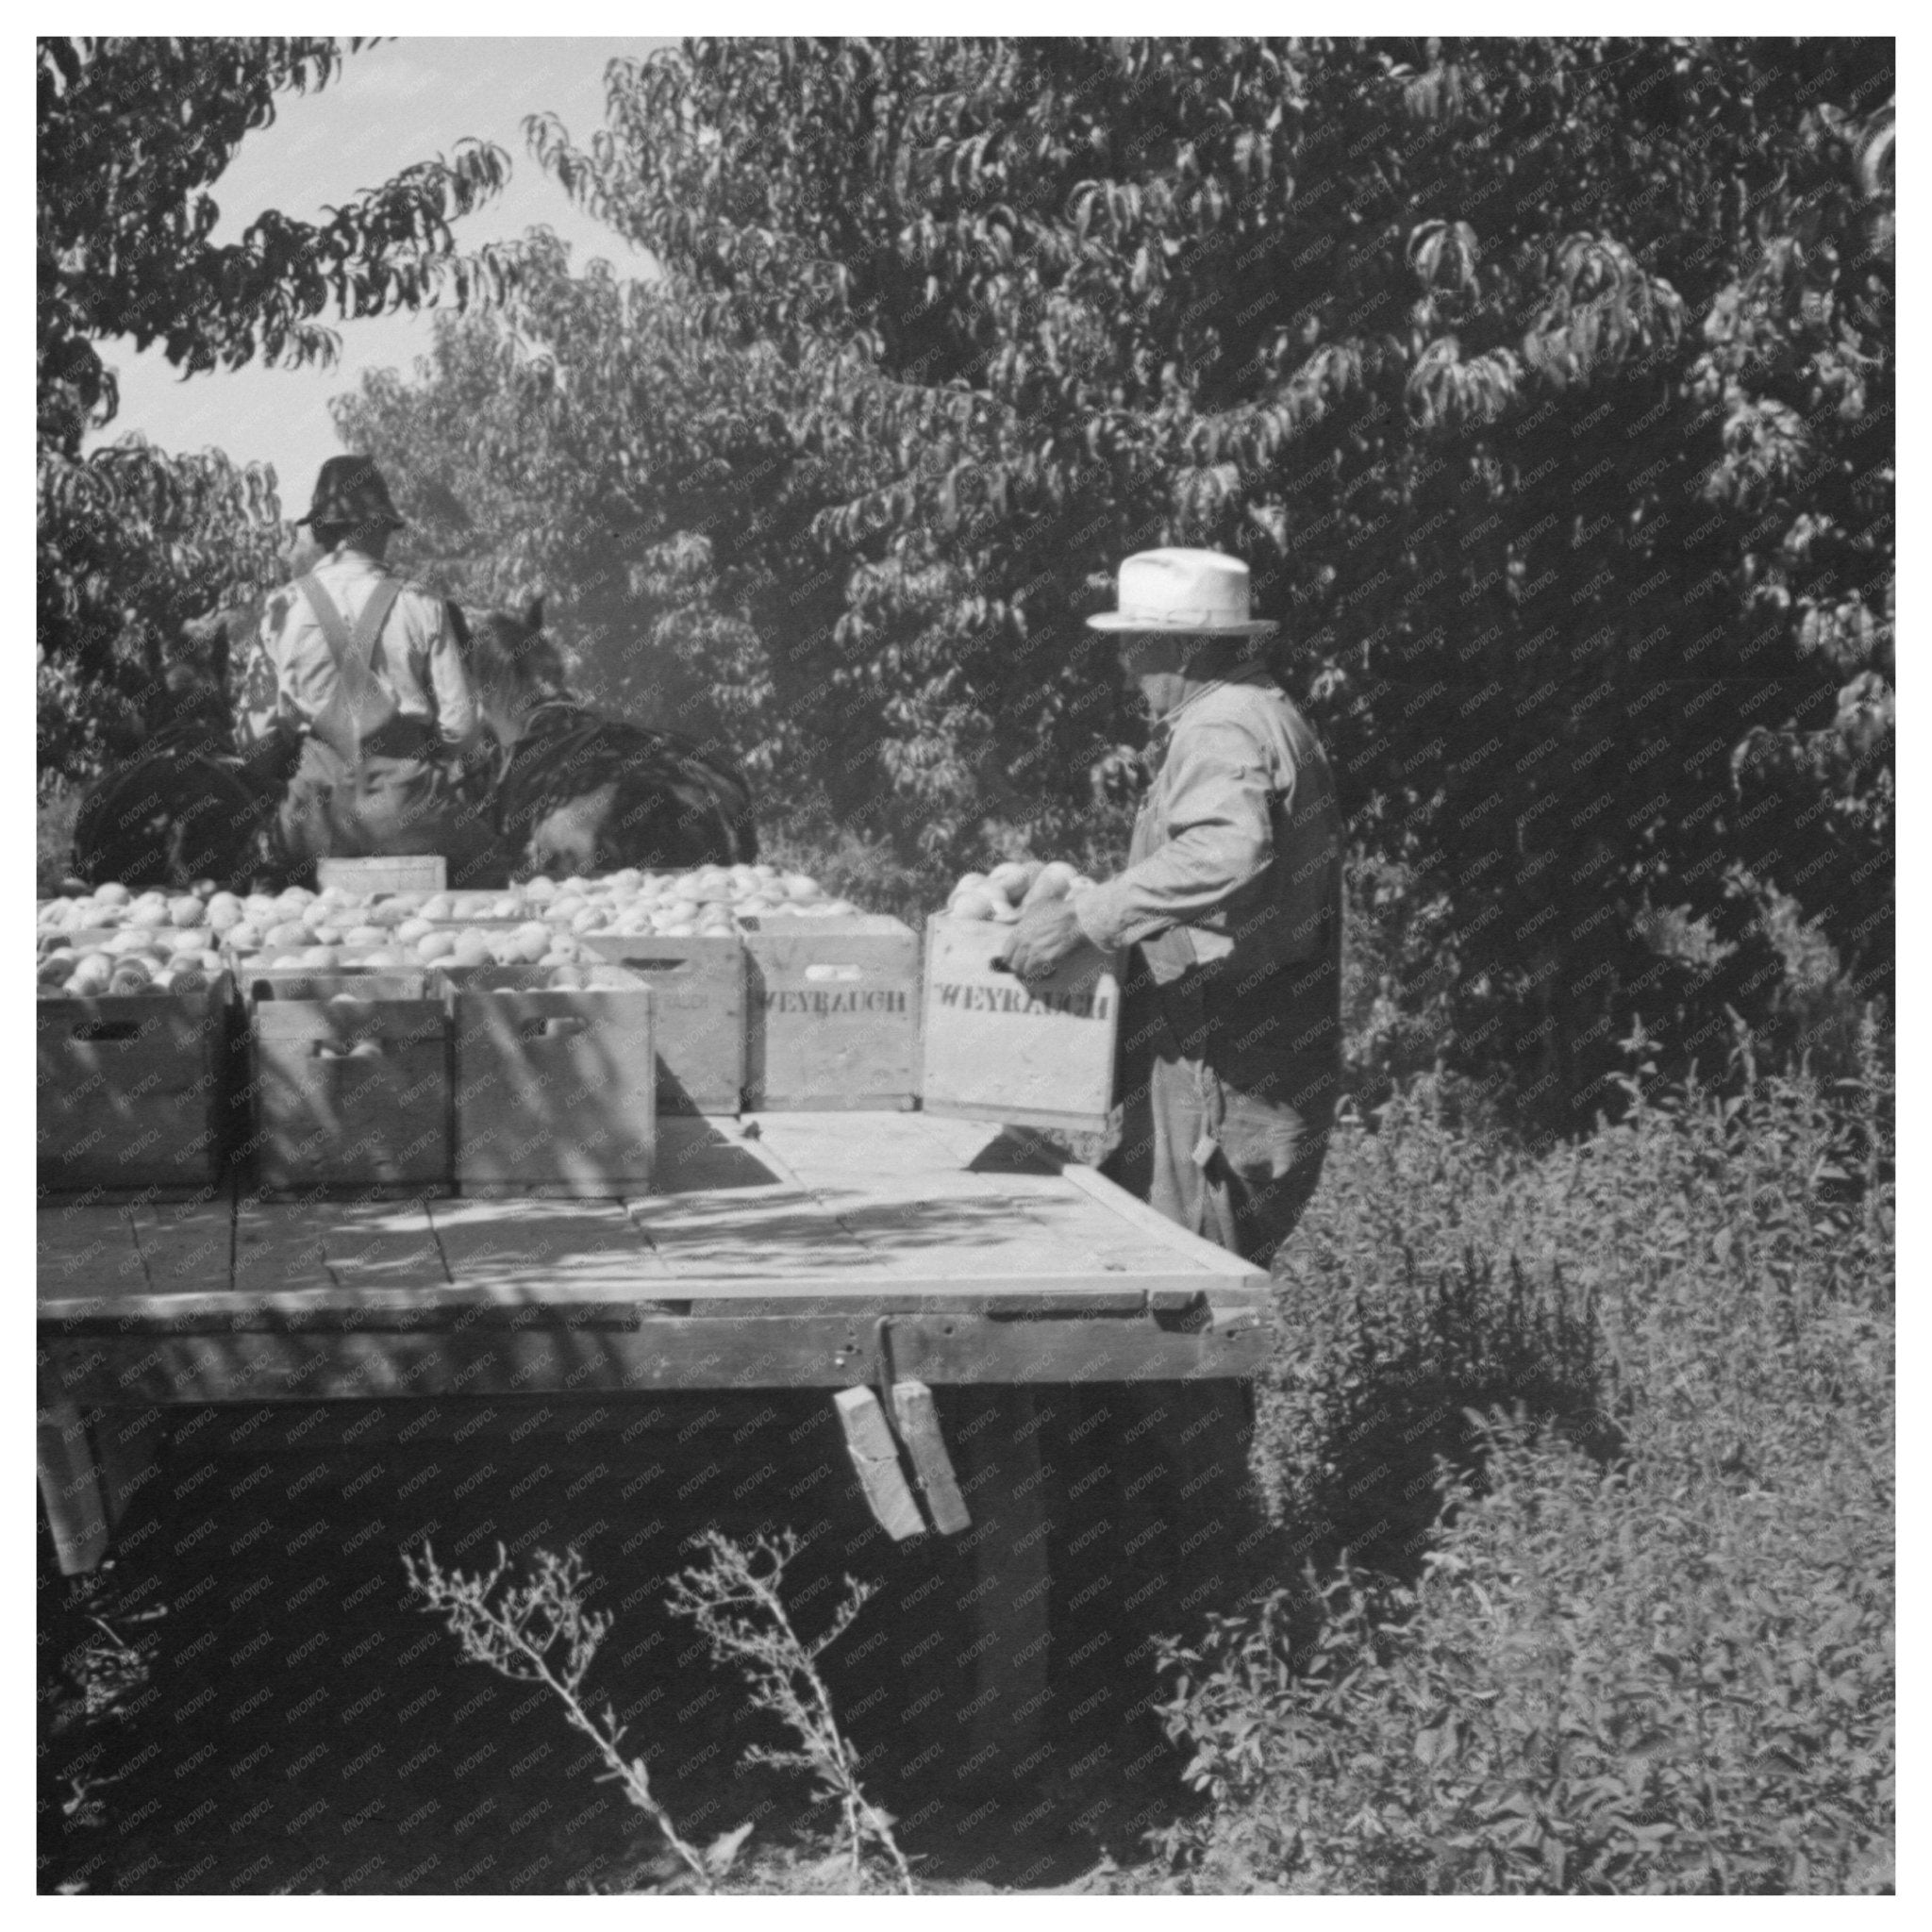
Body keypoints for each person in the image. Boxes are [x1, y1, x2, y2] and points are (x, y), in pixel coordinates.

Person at [1006, 548, 1343, 1269]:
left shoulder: (1220, 725)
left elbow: (1230, 850)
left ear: (1187, 645)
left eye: (1137, 641)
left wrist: (1087, 918)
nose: (1125, 661)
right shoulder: (1257, 710)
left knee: (1183, 1294)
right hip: (1242, 1053)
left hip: (1223, 1069)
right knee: (1186, 1278)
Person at [240, 456, 491, 872]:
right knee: (494, 860)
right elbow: (461, 729)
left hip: (312, 827)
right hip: (412, 819)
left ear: (319, 532)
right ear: (382, 528)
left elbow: (256, 738)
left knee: (253, 871)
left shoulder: (280, 609)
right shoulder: (423, 605)